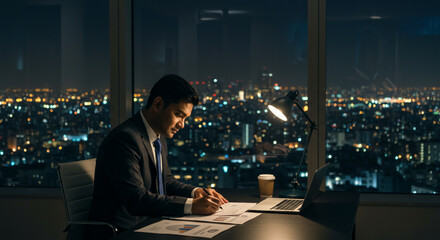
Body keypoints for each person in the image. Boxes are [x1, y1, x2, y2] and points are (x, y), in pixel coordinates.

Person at [87, 74, 228, 239]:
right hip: (120, 232)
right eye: (178, 115)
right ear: (158, 104)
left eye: (185, 118)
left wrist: (196, 192)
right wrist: (191, 206)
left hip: (151, 225)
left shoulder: (158, 136)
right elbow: (136, 200)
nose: (182, 125)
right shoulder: (124, 139)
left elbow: (165, 182)